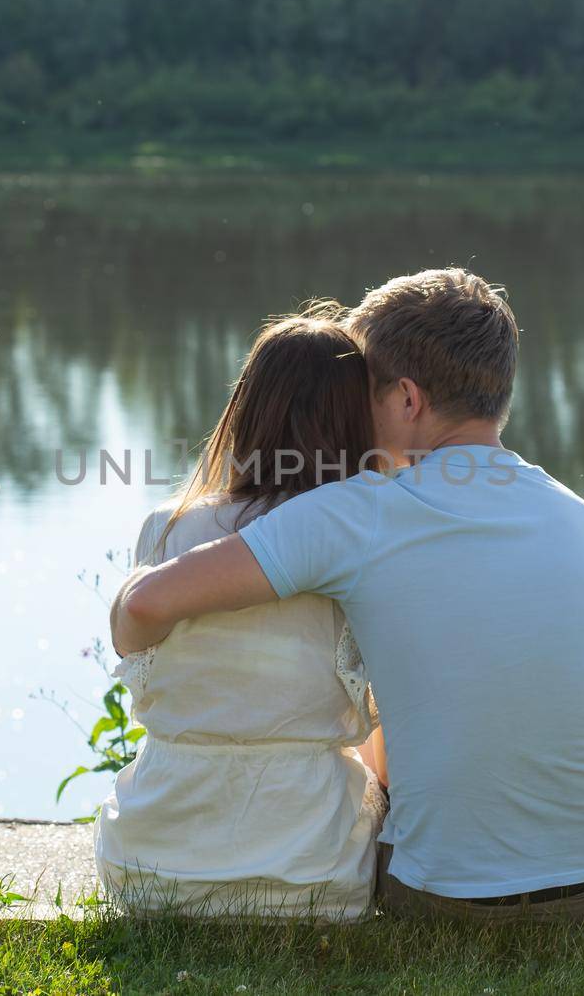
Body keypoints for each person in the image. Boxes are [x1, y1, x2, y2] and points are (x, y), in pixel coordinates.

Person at [112, 268, 584, 924]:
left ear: (406, 399)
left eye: (360, 390)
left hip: (447, 900)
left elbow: (150, 601)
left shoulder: (361, 512)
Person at [94, 310, 387, 921]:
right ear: (357, 421)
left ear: (246, 409)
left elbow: (130, 650)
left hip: (154, 868)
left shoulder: (169, 528)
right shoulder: (363, 535)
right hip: (314, 872)